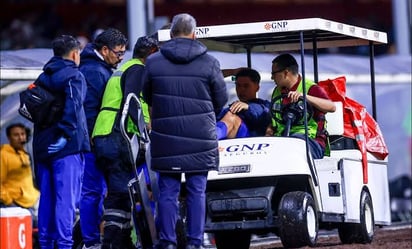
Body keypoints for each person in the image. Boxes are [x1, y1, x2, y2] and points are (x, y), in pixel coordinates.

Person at [142, 13, 228, 249]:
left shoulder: (153, 62)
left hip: (166, 137)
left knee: (167, 192)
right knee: (196, 192)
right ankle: (194, 242)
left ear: (171, 34)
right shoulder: (210, 62)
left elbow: (147, 95)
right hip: (200, 138)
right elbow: (221, 100)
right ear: (194, 33)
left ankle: (168, 242)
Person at [92, 35, 159, 249]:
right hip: (115, 134)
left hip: (103, 133)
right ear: (150, 53)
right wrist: (144, 128)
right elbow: (132, 100)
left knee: (118, 189)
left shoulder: (124, 68)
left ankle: (120, 239)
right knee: (120, 191)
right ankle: (112, 242)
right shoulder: (138, 69)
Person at [32, 35, 89, 249]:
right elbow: (73, 106)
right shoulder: (74, 75)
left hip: (42, 146)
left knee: (47, 198)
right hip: (67, 147)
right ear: (75, 54)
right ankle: (65, 245)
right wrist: (65, 134)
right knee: (66, 200)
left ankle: (46, 244)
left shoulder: (42, 77)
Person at [78, 28, 127, 249]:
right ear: (104, 50)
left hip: (97, 141)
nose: (121, 58)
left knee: (96, 192)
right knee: (91, 192)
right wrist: (91, 140)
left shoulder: (100, 68)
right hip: (93, 143)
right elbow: (88, 111)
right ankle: (90, 241)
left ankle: (91, 238)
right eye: (118, 53)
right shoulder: (94, 72)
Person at [266, 53, 336, 159]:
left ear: (285, 73)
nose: (272, 77)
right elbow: (275, 120)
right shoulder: (277, 91)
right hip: (282, 139)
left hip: (310, 141)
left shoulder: (311, 88)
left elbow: (331, 107)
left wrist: (305, 96)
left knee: (292, 144)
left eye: (274, 73)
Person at [216, 68, 271, 139]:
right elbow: (209, 77)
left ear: (257, 87)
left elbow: (264, 113)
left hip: (253, 144)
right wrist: (232, 72)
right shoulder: (231, 108)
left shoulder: (265, 105)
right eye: (238, 85)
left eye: (246, 86)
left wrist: (248, 107)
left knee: (231, 118)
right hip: (229, 146)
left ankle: (210, 138)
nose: (241, 90)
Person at [1, 123, 39, 211]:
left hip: (32, 201)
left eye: (22, 134)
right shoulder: (3, 154)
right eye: (16, 135)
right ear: (9, 137)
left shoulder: (24, 153)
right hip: (16, 205)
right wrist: (8, 201)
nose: (20, 138)